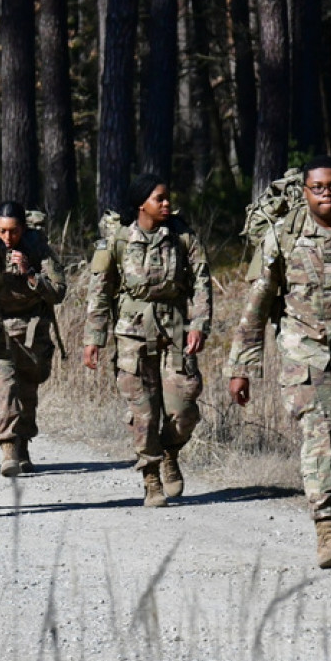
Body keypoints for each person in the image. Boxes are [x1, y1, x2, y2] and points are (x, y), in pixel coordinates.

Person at [227, 155, 331, 568]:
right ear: (305, 191)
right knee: (321, 431)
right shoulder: (284, 233)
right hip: (305, 353)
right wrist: (242, 366)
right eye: (318, 187)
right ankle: (328, 529)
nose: (328, 194)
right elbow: (256, 305)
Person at [83, 173, 212, 507]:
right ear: (142, 203)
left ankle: (170, 452)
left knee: (183, 409)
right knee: (143, 412)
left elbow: (202, 282)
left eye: (168, 198)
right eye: (159, 199)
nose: (167, 204)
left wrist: (199, 324)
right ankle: (151, 476)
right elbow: (99, 292)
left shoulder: (182, 236)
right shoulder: (118, 240)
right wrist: (93, 339)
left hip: (175, 332)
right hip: (132, 335)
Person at [0, 201, 67, 476]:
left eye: (14, 232)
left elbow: (58, 291)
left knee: (28, 389)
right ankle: (8, 447)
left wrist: (30, 273)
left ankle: (22, 443)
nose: (8, 238)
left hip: (32, 329)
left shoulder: (37, 248)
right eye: (2, 231)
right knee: (4, 385)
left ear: (23, 229)